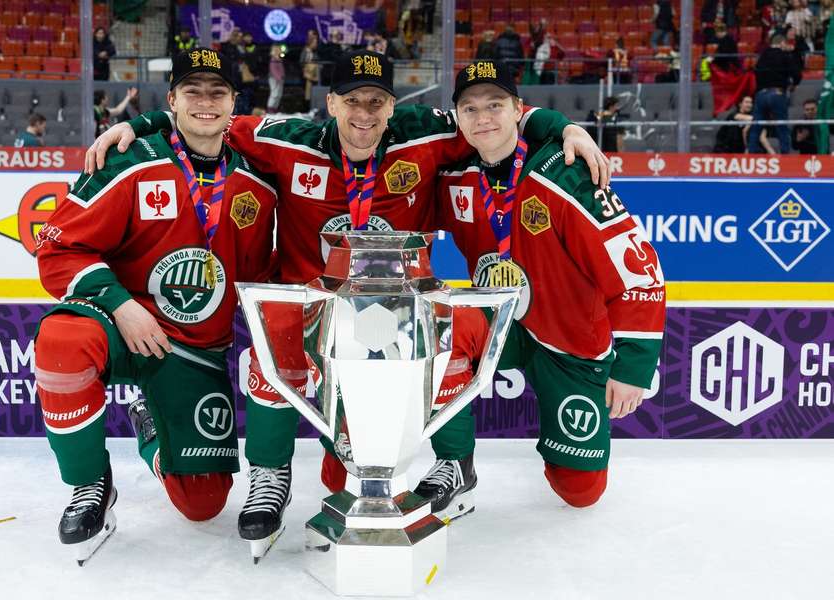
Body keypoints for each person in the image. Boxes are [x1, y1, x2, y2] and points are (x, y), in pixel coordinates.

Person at [84, 51, 609, 541]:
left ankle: (451, 462)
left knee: (350, 470)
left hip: (389, 316)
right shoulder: (285, 139)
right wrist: (138, 122)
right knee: (267, 362)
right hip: (310, 308)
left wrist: (564, 126)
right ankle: (269, 475)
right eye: (351, 100)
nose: (364, 113)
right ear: (330, 103)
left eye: (376, 101)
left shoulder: (423, 137)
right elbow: (203, 120)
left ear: (391, 106)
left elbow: (491, 115)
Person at [33, 48, 277, 564]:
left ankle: (149, 420)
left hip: (194, 348)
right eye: (192, 91)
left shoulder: (257, 181)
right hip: (125, 324)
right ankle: (89, 485)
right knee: (61, 342)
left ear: (235, 103)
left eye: (218, 92)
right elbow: (57, 249)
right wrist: (121, 304)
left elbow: (256, 274)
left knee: (203, 505)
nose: (205, 102)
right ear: (173, 101)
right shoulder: (128, 161)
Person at [435, 60, 665, 511]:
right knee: (440, 332)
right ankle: (455, 462)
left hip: (570, 338)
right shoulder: (455, 175)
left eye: (495, 105)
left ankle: (566, 447)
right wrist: (561, 123)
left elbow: (639, 271)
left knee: (580, 491)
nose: (483, 118)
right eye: (470, 108)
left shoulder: (564, 173)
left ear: (518, 109)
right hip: (503, 322)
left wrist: (633, 368)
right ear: (458, 118)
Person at [748, 34, 802, 153]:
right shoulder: (785, 55)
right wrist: (794, 84)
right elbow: (797, 74)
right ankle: (785, 160)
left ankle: (751, 155)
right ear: (782, 43)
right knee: (782, 127)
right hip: (777, 93)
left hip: (761, 94)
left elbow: (755, 73)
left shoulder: (762, 56)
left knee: (756, 128)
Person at [300, 32, 320, 112]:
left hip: (314, 75)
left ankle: (312, 109)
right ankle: (306, 109)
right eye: (315, 43)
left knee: (312, 93)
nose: (316, 45)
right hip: (306, 77)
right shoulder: (305, 52)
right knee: (306, 94)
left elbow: (317, 61)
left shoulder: (314, 53)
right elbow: (302, 63)